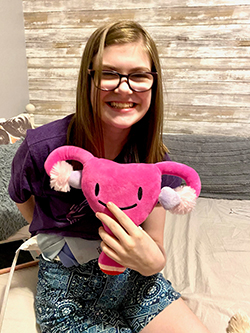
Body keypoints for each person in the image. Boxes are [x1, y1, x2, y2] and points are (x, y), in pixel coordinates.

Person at [9, 21, 210, 333]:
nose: (124, 87)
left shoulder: (154, 163)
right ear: (88, 79)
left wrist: (152, 263)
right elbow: (22, 198)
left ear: (153, 84)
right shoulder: (42, 149)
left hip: (135, 283)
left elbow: (155, 248)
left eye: (139, 75)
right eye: (109, 73)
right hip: (67, 295)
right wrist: (52, 232)